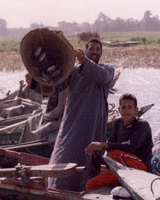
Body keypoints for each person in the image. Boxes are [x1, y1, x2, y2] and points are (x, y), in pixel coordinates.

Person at [47, 38, 115, 191]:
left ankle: (86, 189)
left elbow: (101, 76)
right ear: (86, 51)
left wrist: (84, 61)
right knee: (65, 153)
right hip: (72, 123)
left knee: (90, 158)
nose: (95, 52)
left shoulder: (108, 70)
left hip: (93, 125)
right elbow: (54, 87)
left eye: (98, 49)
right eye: (91, 49)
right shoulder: (74, 71)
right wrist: (36, 80)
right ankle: (58, 187)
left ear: (101, 53)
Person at [84, 93, 153, 191]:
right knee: (91, 184)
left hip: (140, 169)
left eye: (130, 108)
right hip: (120, 170)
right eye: (123, 107)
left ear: (136, 110)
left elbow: (131, 146)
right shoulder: (118, 123)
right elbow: (111, 143)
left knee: (114, 153)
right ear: (119, 109)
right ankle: (117, 180)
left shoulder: (143, 125)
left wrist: (103, 145)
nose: (126, 111)